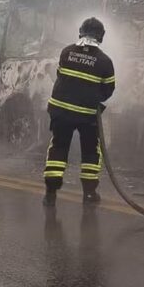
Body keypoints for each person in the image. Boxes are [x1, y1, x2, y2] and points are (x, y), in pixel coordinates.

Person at [43, 18, 115, 206]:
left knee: (58, 147)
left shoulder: (66, 52)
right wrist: (92, 96)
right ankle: (89, 194)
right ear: (101, 36)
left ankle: (50, 193)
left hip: (60, 111)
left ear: (81, 32)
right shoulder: (105, 61)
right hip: (87, 114)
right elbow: (108, 90)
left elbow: (60, 75)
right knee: (90, 152)